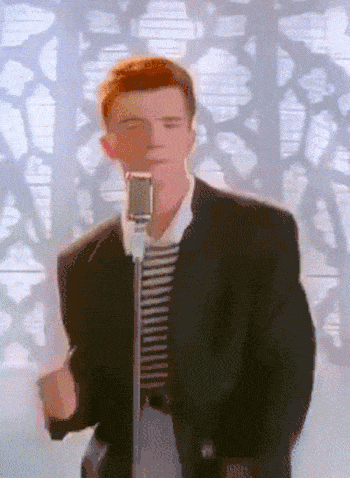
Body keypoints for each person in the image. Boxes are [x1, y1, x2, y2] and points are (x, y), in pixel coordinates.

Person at [38, 57, 316, 478]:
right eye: (134, 126)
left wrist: (244, 468)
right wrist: (67, 405)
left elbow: (285, 371)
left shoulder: (258, 232)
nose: (154, 140)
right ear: (109, 145)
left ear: (190, 137)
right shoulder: (83, 261)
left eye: (170, 124)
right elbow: (101, 384)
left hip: (224, 466)